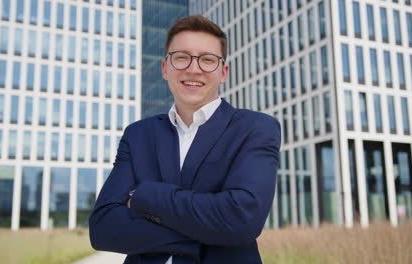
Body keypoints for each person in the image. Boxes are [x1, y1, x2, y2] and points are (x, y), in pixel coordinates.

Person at [89, 14, 281, 264]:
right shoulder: (138, 135)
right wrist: (205, 233)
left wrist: (143, 195)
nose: (193, 68)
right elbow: (103, 227)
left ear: (223, 72)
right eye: (181, 58)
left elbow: (241, 220)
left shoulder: (255, 128)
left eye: (207, 60)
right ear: (165, 68)